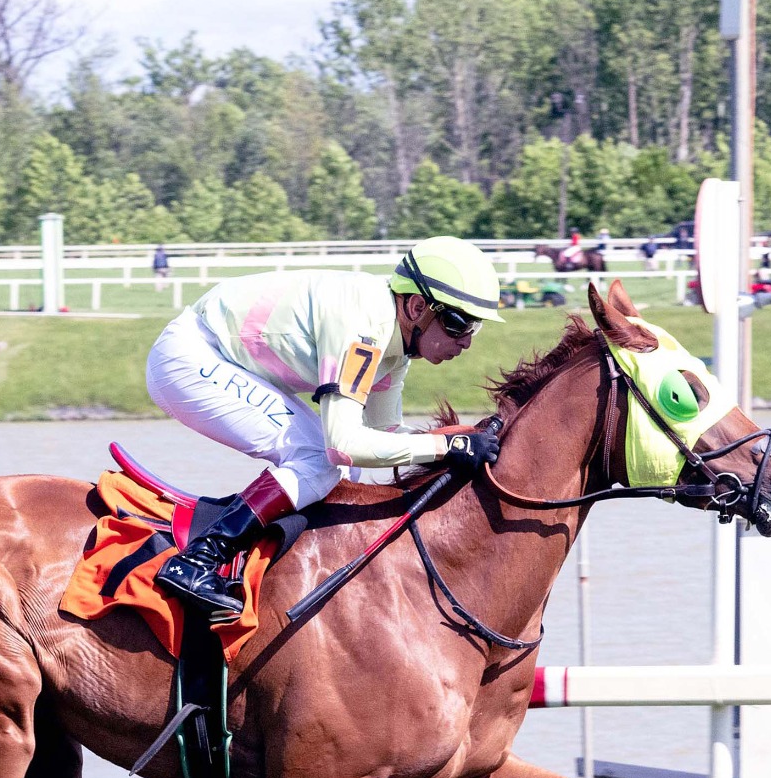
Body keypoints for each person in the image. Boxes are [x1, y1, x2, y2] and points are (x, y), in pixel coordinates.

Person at [145, 236, 503, 620]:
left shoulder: (395, 351)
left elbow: (383, 437)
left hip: (219, 357)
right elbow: (345, 444)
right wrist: (445, 449)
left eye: (474, 328)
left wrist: (451, 442)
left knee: (347, 471)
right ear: (417, 306)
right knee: (321, 458)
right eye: (457, 323)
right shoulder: (366, 329)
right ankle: (197, 561)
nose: (465, 341)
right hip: (188, 358)